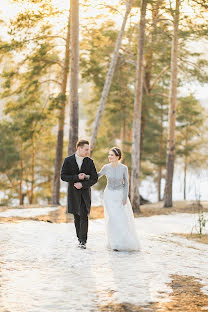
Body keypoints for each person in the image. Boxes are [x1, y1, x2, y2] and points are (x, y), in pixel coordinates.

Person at [98, 147, 140, 251]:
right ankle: (114, 243)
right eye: (109, 155)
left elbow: (126, 184)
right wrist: (86, 176)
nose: (109, 157)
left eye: (111, 155)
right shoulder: (106, 167)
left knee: (121, 218)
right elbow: (97, 176)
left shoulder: (124, 168)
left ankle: (124, 242)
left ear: (117, 157)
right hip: (109, 196)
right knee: (112, 218)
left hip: (120, 195)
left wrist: (125, 197)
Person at [61, 139, 98, 249]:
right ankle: (79, 238)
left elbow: (94, 178)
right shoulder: (68, 160)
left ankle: (83, 241)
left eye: (89, 150)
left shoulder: (90, 162)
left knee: (84, 215)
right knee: (76, 216)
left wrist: (83, 184)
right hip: (73, 194)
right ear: (79, 148)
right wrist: (76, 178)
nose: (88, 152)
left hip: (85, 193)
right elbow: (63, 176)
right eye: (86, 149)